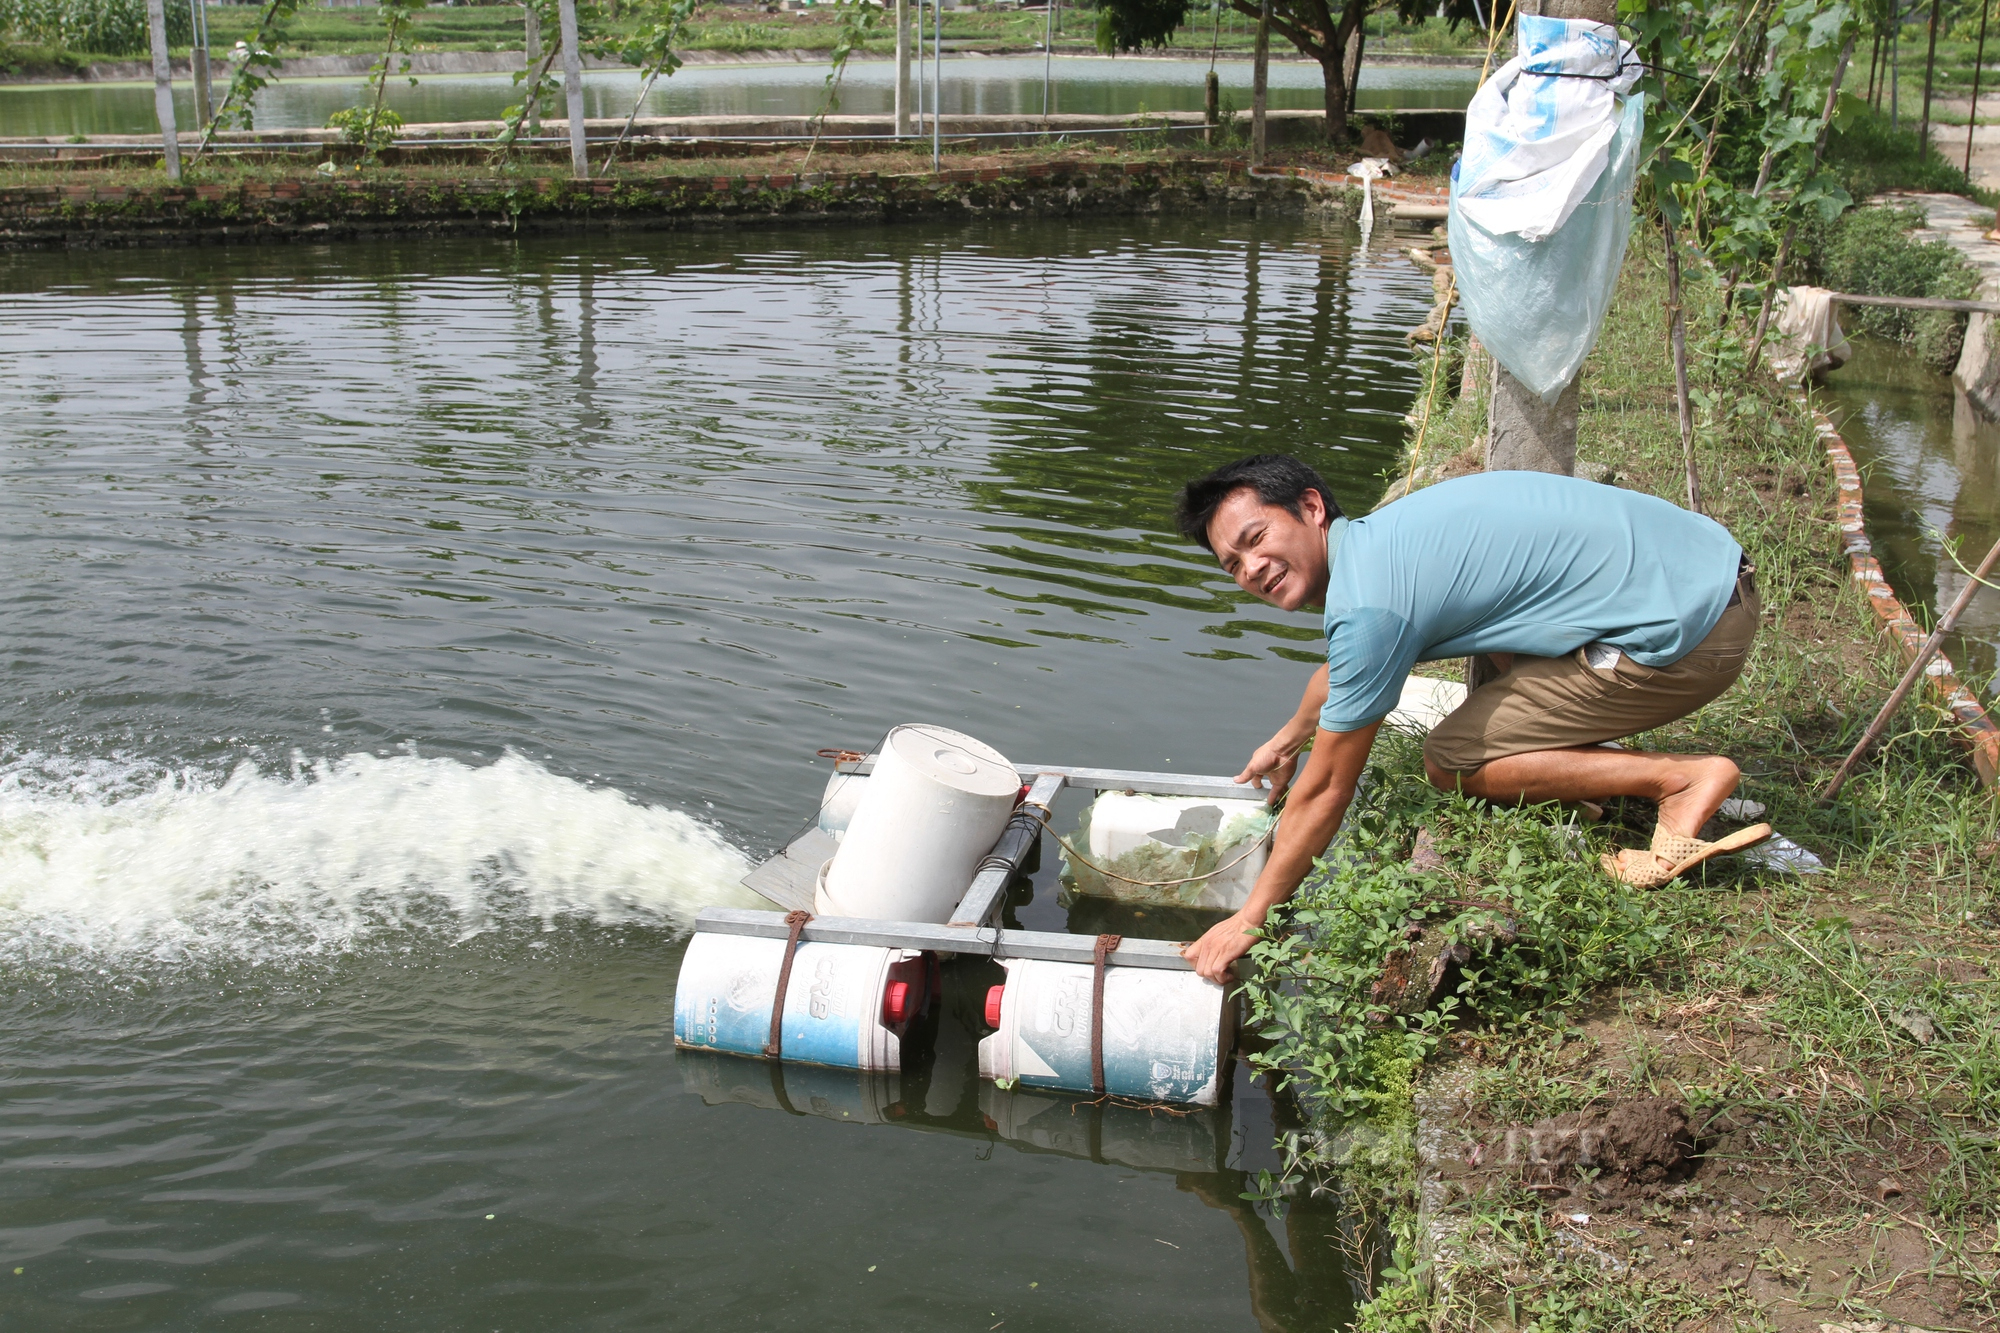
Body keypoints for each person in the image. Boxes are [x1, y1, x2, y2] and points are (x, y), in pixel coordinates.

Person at [1174, 455, 1771, 984]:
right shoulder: (1382, 541)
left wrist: (1250, 919)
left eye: (1256, 539)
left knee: (1454, 760)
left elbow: (1329, 788)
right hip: (1707, 570)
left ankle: (1681, 780)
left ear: (1310, 508)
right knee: (1505, 644)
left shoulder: (1372, 607)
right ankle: (1592, 783)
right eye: (1233, 565)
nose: (1251, 568)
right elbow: (1343, 673)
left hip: (1695, 635)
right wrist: (1285, 742)